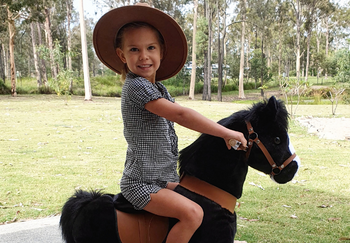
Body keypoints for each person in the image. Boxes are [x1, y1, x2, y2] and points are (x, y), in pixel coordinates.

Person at [93, 4, 247, 243]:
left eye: (150, 48)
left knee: (204, 200)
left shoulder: (159, 88)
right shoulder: (136, 87)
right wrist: (225, 132)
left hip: (163, 180)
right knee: (193, 213)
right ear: (122, 56)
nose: (144, 56)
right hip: (141, 184)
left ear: (161, 51)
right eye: (134, 49)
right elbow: (182, 116)